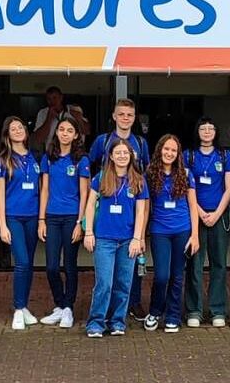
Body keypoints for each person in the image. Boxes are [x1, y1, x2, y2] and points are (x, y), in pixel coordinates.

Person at [88, 98, 151, 321]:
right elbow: (90, 166)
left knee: (131, 268)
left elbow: (146, 175)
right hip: (105, 216)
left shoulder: (141, 144)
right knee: (105, 278)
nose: (125, 118)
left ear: (134, 119)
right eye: (121, 114)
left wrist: (140, 234)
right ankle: (100, 318)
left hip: (132, 211)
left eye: (130, 115)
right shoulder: (103, 141)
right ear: (114, 116)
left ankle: (131, 306)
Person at [83, 138, 149, 338]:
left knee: (123, 283)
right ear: (111, 156)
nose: (122, 156)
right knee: (104, 283)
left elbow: (141, 212)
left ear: (131, 157)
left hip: (128, 241)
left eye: (125, 153)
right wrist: (88, 232)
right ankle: (96, 322)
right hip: (104, 240)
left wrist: (137, 239)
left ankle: (117, 322)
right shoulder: (101, 178)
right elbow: (89, 205)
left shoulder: (138, 181)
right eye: (118, 153)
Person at [37, 114, 91, 329]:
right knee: (50, 266)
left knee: (69, 265)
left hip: (71, 218)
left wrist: (80, 222)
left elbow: (84, 193)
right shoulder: (48, 157)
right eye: (62, 130)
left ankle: (68, 307)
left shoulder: (81, 160)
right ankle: (59, 305)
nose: (65, 134)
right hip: (52, 217)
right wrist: (41, 219)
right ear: (56, 133)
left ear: (76, 134)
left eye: (70, 130)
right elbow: (45, 190)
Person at [143, 135, 199, 333]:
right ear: (160, 150)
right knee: (161, 276)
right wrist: (141, 234)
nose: (169, 153)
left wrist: (195, 235)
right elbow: (145, 204)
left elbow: (193, 206)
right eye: (166, 149)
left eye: (173, 150)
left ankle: (173, 315)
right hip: (160, 231)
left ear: (178, 154)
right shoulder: (150, 173)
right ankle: (155, 311)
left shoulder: (185, 173)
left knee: (177, 275)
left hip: (182, 230)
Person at [183, 116, 230, 328]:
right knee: (194, 264)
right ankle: (193, 310)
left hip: (219, 216)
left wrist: (216, 214)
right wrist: (201, 212)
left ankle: (218, 310)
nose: (206, 132)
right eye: (202, 128)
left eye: (210, 128)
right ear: (197, 131)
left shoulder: (225, 155)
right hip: (196, 215)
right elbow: (186, 186)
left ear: (216, 132)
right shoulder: (189, 156)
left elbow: (229, 187)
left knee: (219, 265)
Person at [0, 116, 42, 330]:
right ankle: (18, 308)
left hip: (32, 216)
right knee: (21, 261)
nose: (17, 131)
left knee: (29, 263)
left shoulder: (34, 158)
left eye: (20, 127)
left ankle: (24, 308)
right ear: (7, 134)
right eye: (13, 128)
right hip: (13, 217)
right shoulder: (3, 160)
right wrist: (2, 225)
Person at [33, 86, 90, 153]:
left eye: (54, 98)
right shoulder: (43, 113)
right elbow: (39, 140)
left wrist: (79, 119)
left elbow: (87, 131)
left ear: (61, 97)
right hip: (52, 155)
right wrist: (49, 119)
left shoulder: (74, 110)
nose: (52, 102)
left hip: (73, 154)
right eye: (49, 99)